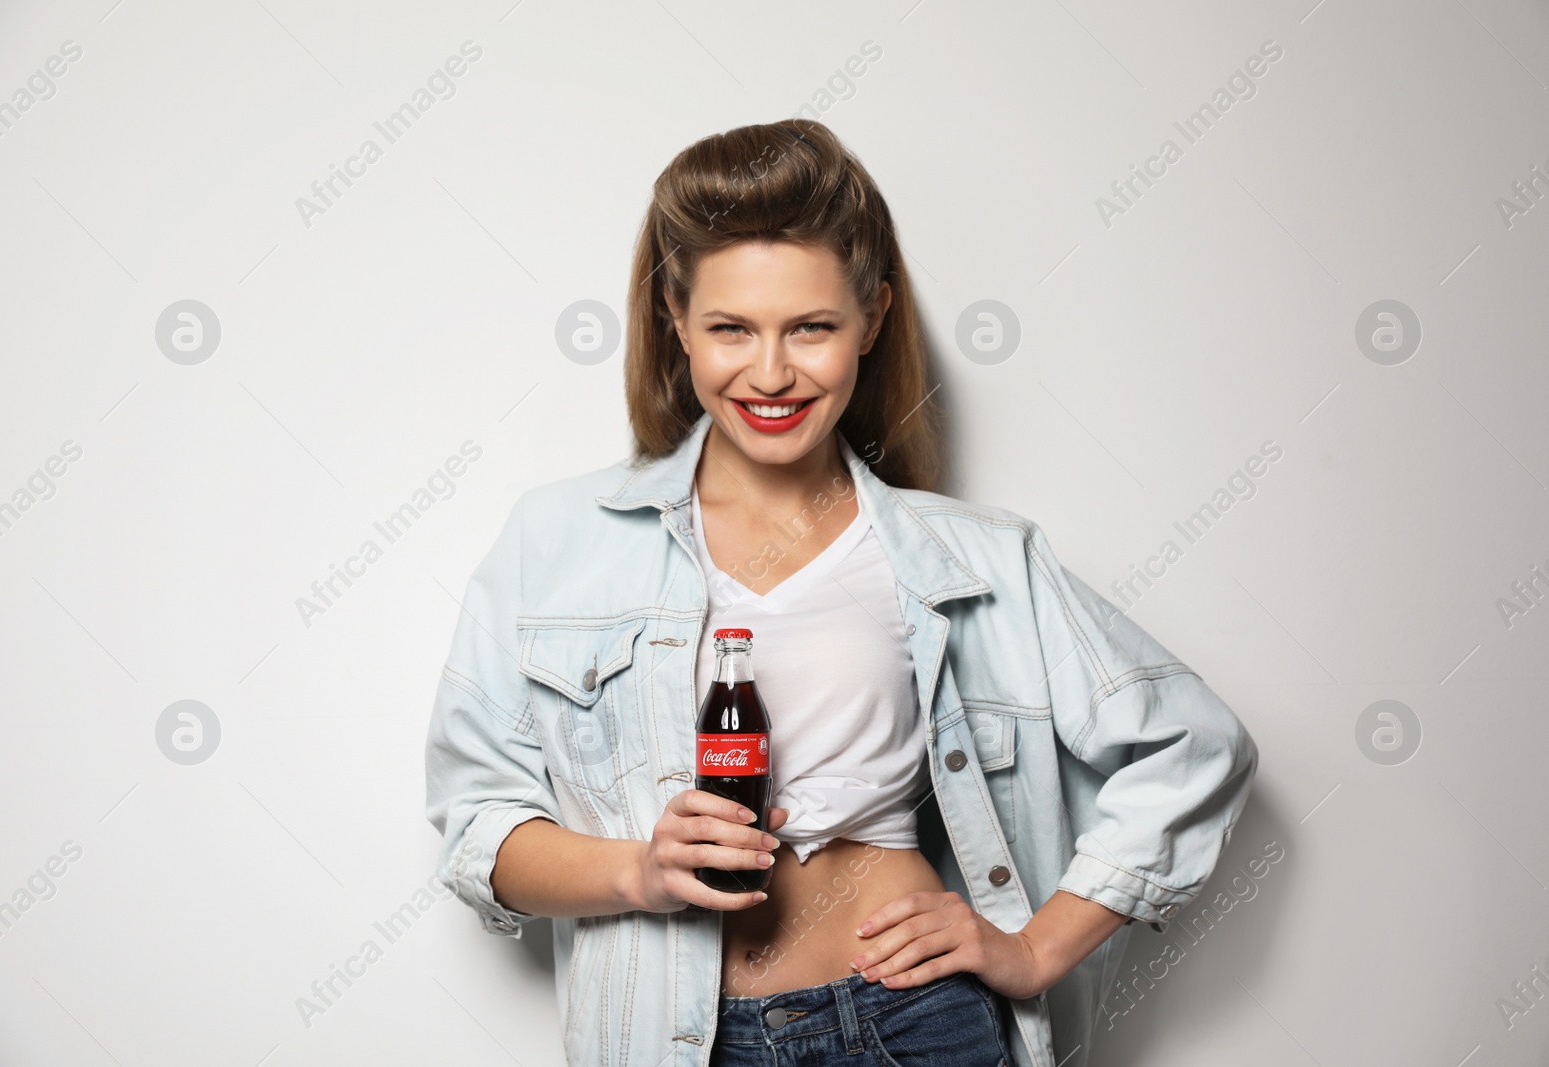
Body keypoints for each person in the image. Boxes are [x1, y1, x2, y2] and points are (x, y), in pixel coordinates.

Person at [424, 118, 1259, 1067]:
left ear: (872, 317)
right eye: (732, 327)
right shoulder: (557, 541)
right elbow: (478, 826)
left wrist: (1033, 948)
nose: (771, 372)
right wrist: (638, 868)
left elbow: (1196, 743)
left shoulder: (976, 558)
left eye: (811, 327)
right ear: (674, 316)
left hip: (919, 1022)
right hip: (677, 1041)